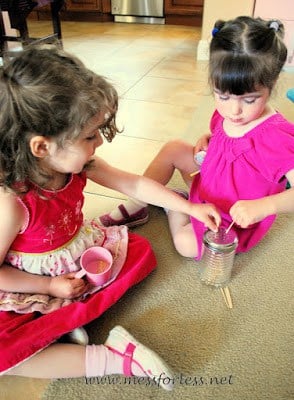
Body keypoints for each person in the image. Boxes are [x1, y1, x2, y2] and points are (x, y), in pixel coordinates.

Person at [0, 45, 222, 387]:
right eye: (89, 136)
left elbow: (133, 182)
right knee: (6, 354)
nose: (98, 143)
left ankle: (63, 319)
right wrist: (47, 285)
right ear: (41, 147)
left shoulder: (78, 163)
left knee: (140, 254)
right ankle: (115, 357)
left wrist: (189, 207)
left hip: (74, 253)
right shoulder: (12, 203)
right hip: (28, 280)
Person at [99, 16, 294, 259]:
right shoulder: (228, 114)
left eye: (249, 99)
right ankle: (138, 204)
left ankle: (173, 207)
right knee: (174, 148)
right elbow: (226, 138)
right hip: (209, 184)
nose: (234, 111)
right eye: (222, 96)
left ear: (272, 83)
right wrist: (210, 138)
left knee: (187, 245)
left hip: (232, 217)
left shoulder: (278, 137)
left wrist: (266, 206)